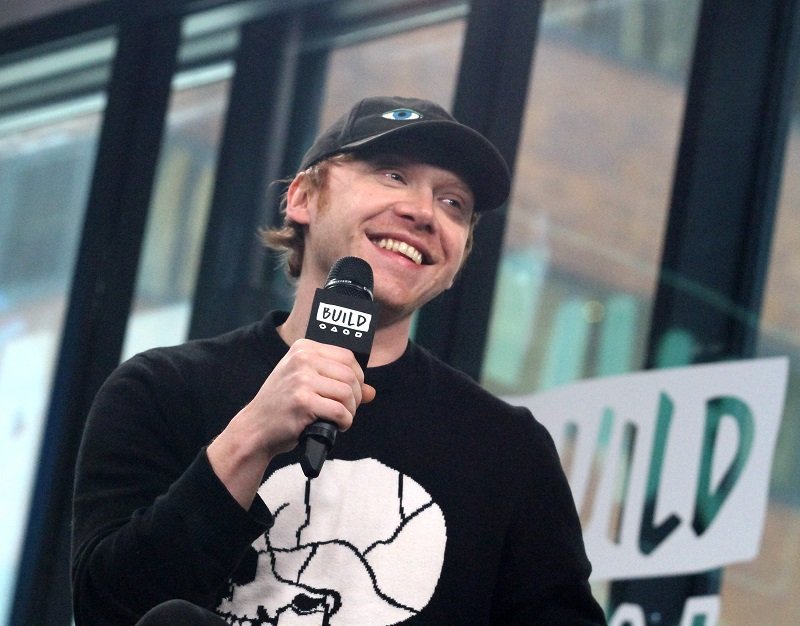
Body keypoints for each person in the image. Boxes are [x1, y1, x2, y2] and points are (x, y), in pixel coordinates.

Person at [71, 96, 607, 625]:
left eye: (454, 205)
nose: (423, 212)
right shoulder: (161, 389)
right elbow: (108, 612)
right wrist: (251, 437)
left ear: (455, 263)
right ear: (303, 197)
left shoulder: (507, 450)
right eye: (392, 175)